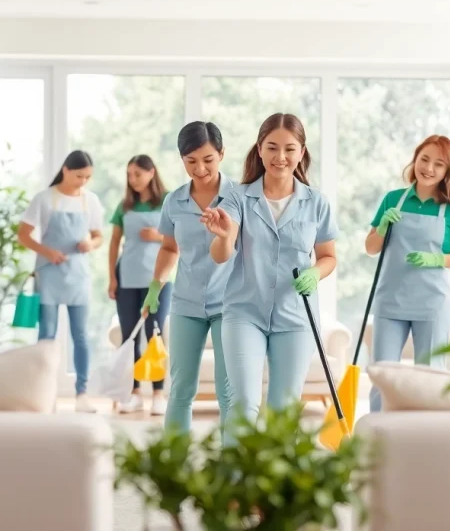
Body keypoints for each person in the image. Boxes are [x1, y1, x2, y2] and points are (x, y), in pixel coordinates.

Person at [201, 113, 337, 439]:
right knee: (244, 401)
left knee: (283, 408)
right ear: (259, 149)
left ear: (301, 152)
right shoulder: (237, 197)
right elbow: (222, 255)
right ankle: (234, 483)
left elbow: (329, 257)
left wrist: (315, 274)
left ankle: (275, 485)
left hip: (295, 318)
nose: (280, 157)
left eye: (289, 149)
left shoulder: (316, 203)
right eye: (272, 147)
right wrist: (222, 236)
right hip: (244, 313)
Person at [365, 134, 450, 413]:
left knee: (429, 376)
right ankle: (376, 437)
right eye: (424, 159)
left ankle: (425, 435)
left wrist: (437, 258)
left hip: (432, 303)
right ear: (415, 160)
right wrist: (381, 228)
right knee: (382, 374)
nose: (428, 168)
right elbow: (370, 247)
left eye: (438, 164)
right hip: (390, 301)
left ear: (447, 171)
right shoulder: (394, 199)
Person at [146, 121, 236, 432]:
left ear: (222, 154)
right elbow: (169, 247)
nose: (199, 169)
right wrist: (155, 286)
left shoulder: (240, 197)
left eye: (208, 159)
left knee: (229, 393)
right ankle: (175, 463)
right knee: (181, 389)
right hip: (186, 303)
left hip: (231, 305)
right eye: (191, 161)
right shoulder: (174, 201)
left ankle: (233, 466)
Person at [17, 150, 104, 412]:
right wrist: (47, 251)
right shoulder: (44, 198)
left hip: (78, 275)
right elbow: (23, 235)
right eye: (79, 176)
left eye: (88, 177)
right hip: (50, 274)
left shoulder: (91, 201)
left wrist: (90, 243)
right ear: (66, 170)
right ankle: (45, 393)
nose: (83, 181)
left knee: (80, 336)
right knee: (47, 335)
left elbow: (99, 236)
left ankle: (82, 394)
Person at [108, 154, 173, 415]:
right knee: (129, 337)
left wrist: (158, 236)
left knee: (154, 335)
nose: (132, 180)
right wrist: (112, 277)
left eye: (137, 174)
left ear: (151, 173)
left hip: (158, 280)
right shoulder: (124, 206)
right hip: (127, 278)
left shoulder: (169, 201)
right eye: (129, 175)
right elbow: (114, 242)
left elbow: (180, 236)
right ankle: (133, 393)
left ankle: (158, 393)